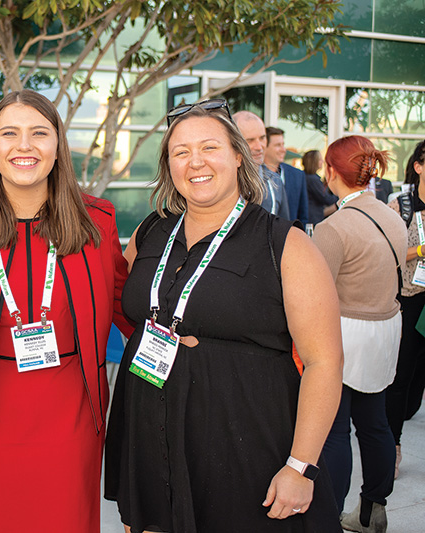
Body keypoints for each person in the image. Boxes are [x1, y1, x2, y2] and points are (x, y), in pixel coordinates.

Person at [105, 99, 344, 533]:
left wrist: (301, 466)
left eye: (209, 147)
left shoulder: (285, 245)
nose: (195, 161)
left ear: (238, 155)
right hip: (149, 430)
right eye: (180, 152)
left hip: (245, 442)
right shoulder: (150, 232)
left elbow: (324, 362)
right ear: (169, 165)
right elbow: (129, 306)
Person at [0, 89, 132, 533]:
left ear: (57, 144)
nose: (24, 146)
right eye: (10, 133)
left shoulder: (97, 220)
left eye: (38, 133)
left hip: (71, 421)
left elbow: (129, 304)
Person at [313, 136, 407, 533]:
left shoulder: (333, 228)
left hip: (344, 334)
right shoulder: (392, 216)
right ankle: (372, 510)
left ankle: (328, 517)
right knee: (375, 424)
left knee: (334, 429)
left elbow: (314, 296)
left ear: (332, 172)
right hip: (386, 330)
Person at [385, 139, 425, 481]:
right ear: (418, 166)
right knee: (402, 376)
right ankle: (393, 447)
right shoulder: (402, 205)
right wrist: (421, 249)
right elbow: (394, 253)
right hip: (411, 298)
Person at [233, 110, 290, 219]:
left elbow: (284, 225)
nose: (259, 147)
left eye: (262, 138)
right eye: (250, 140)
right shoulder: (222, 182)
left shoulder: (274, 181)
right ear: (234, 142)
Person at [265, 126, 309, 225]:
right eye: (277, 145)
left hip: (291, 237)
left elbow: (303, 216)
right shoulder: (254, 175)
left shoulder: (298, 175)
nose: (283, 149)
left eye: (283, 145)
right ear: (265, 147)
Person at [303, 150, 338, 226]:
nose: (322, 161)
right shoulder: (312, 179)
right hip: (314, 219)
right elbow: (326, 198)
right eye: (320, 159)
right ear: (314, 162)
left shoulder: (306, 177)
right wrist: (340, 196)